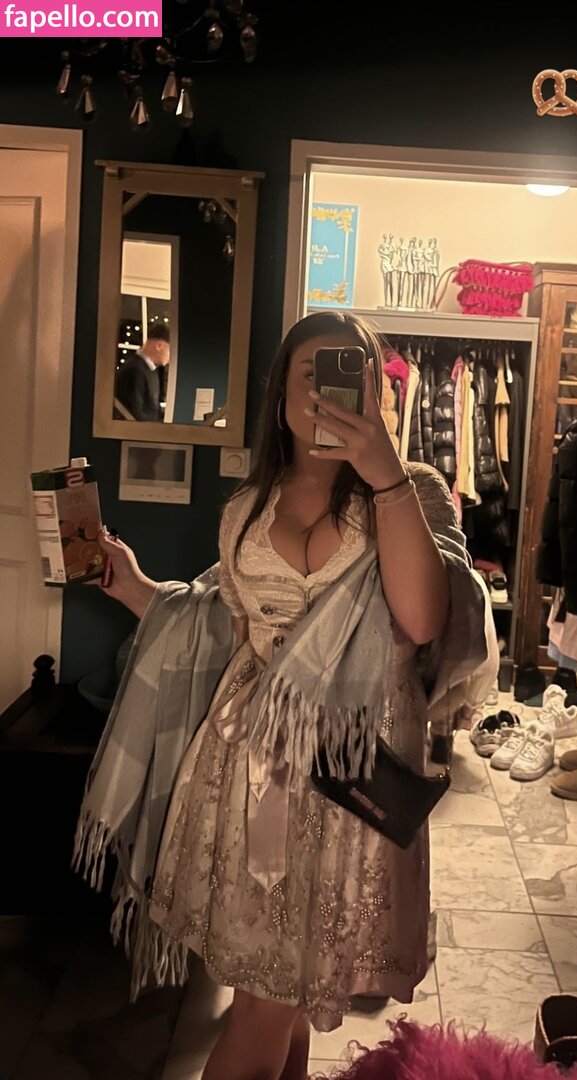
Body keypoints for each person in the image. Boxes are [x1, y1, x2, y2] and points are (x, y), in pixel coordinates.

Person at [84, 311, 496, 1080]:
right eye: (312, 372)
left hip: (349, 778)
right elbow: (227, 631)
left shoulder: (415, 490)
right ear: (281, 395)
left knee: (274, 1003)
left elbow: (421, 620)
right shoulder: (248, 506)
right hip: (248, 775)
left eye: (351, 372)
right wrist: (134, 587)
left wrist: (384, 474)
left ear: (376, 391)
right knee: (272, 998)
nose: (328, 390)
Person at [116, 322, 170, 421]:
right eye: (170, 351)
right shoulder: (135, 370)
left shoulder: (152, 370)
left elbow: (153, 410)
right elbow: (135, 415)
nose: (171, 357)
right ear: (159, 346)